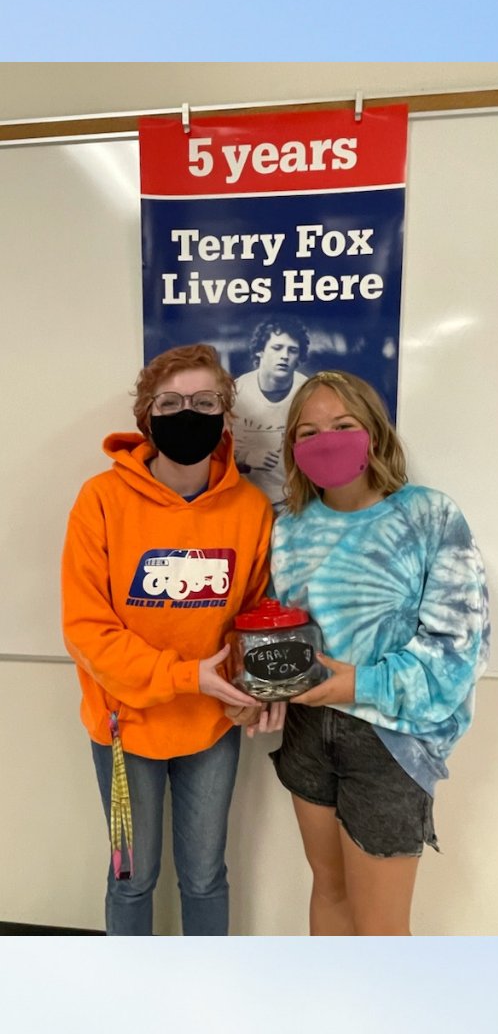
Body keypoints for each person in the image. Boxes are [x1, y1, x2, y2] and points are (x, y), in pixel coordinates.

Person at [61, 344, 283, 936]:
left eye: (205, 401)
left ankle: (205, 1000)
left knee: (206, 875)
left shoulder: (250, 508)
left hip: (211, 726)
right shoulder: (100, 501)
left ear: (225, 414)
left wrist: (256, 684)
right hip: (123, 726)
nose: (189, 412)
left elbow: (256, 613)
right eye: (171, 401)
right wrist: (185, 675)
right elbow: (87, 628)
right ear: (147, 415)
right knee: (131, 877)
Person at [269, 370, 490, 935]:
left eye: (343, 425)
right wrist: (257, 690)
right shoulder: (287, 526)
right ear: (293, 448)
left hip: (389, 740)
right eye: (308, 432)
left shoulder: (429, 516)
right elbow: (279, 631)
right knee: (329, 890)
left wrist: (356, 684)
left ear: (373, 431)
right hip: (306, 732)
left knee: (382, 928)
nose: (327, 440)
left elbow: (459, 650)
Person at [232, 315, 311, 510]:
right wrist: (245, 457)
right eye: (277, 348)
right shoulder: (235, 392)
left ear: (299, 357)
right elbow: (214, 454)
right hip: (243, 502)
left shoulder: (309, 393)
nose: (284, 356)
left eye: (292, 350)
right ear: (260, 351)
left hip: (295, 503)